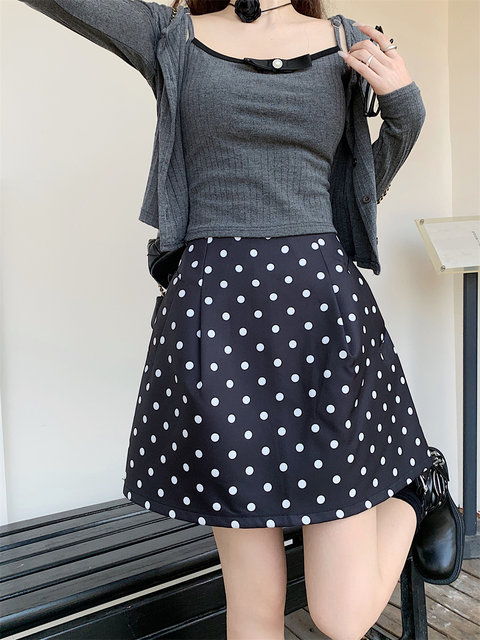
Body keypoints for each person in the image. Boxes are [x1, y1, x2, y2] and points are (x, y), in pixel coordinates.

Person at [17, 1, 464, 638]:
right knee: (253, 609)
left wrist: (404, 109)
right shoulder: (170, 35)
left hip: (324, 327)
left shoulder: (345, 43)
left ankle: (414, 496)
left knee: (340, 617)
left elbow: (356, 193)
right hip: (216, 330)